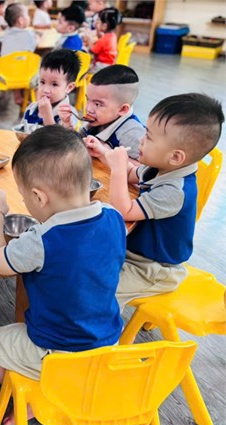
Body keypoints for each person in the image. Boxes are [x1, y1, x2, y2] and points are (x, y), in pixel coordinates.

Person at [0, 125, 125, 425]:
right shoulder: (114, 217)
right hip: (107, 342)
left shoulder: (43, 240)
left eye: (24, 197)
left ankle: (31, 400)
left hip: (59, 351)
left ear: (39, 197)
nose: (25, 203)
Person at [89, 93, 224, 311]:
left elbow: (123, 211)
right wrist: (105, 153)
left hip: (154, 269)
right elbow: (131, 174)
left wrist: (116, 168)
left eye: (149, 137)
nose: (141, 140)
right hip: (134, 251)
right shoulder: (162, 167)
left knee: (97, 290)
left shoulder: (174, 191)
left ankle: (104, 328)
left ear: (176, 157)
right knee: (86, 263)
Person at [59, 64, 146, 160]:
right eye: (88, 99)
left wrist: (106, 153)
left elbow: (146, 168)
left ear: (122, 109)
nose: (88, 109)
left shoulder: (132, 134)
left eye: (97, 104)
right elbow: (77, 144)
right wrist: (67, 125)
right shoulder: (96, 122)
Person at [22, 49, 80, 130]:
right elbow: (22, 131)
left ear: (69, 87)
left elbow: (62, 138)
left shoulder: (68, 114)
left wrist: (47, 116)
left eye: (54, 84)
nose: (45, 90)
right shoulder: (31, 109)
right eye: (42, 82)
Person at [86, 7, 122, 73]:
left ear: (104, 26)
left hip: (102, 66)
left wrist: (89, 39)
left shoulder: (104, 38)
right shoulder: (112, 35)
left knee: (85, 70)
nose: (96, 23)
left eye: (98, 21)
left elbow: (94, 50)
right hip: (110, 64)